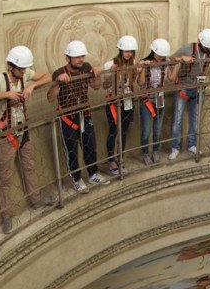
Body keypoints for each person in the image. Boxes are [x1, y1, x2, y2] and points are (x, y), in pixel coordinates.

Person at [0, 45, 54, 233]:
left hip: (23, 130)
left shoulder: (25, 75)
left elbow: (48, 76)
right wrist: (6, 95)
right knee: (6, 177)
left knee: (29, 166)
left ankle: (35, 200)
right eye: (21, 69)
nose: (24, 71)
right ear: (11, 67)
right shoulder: (0, 80)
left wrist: (32, 85)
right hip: (6, 135)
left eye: (25, 69)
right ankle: (6, 215)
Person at [48, 40, 110, 193]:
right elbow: (50, 97)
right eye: (76, 57)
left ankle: (92, 173)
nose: (81, 59)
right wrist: (57, 82)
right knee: (71, 150)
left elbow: (95, 87)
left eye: (82, 56)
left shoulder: (86, 67)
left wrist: (96, 74)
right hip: (68, 118)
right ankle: (76, 179)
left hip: (85, 114)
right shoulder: (58, 72)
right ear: (68, 58)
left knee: (90, 144)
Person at [168, 29, 210, 160]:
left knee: (195, 119)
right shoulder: (188, 48)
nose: (208, 49)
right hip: (183, 88)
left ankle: (192, 144)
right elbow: (170, 58)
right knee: (177, 119)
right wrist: (181, 58)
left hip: (199, 89)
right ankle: (175, 147)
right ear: (200, 41)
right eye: (206, 47)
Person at [137, 38, 177, 164]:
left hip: (160, 98)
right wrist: (143, 68)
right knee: (146, 130)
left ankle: (155, 151)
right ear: (153, 51)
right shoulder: (144, 62)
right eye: (159, 55)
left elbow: (171, 78)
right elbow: (140, 82)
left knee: (158, 129)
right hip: (146, 100)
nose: (161, 58)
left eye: (163, 56)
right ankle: (145, 153)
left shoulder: (165, 62)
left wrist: (176, 64)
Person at [103, 35, 139, 175]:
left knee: (124, 131)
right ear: (120, 50)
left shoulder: (132, 63)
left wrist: (137, 71)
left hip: (127, 101)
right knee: (113, 131)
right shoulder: (109, 64)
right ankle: (111, 160)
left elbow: (132, 82)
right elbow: (104, 85)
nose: (129, 54)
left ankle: (120, 158)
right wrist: (111, 73)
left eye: (131, 51)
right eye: (126, 51)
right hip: (113, 102)